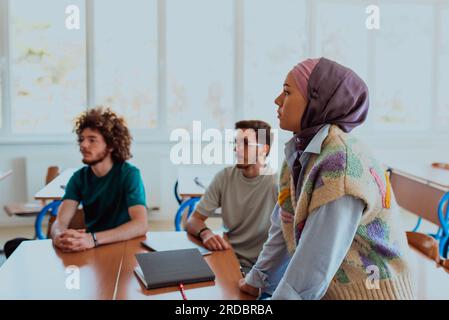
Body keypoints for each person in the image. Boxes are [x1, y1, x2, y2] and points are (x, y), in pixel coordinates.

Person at [239, 58, 416, 300]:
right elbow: (284, 225)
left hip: (371, 295)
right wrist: (258, 279)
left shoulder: (340, 164)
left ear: (317, 101)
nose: (277, 100)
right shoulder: (300, 151)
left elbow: (315, 262)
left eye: (287, 92)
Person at [3, 107, 148, 257]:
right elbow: (60, 221)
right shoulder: (79, 177)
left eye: (92, 140)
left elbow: (140, 224)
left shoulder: (129, 174)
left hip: (121, 246)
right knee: (14, 245)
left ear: (110, 145)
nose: (83, 145)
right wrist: (58, 235)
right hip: (91, 248)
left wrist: (93, 239)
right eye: (81, 139)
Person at [185, 120, 278, 274]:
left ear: (264, 149)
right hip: (226, 258)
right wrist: (206, 233)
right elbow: (192, 220)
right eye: (236, 143)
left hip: (260, 269)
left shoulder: (277, 183)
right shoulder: (225, 177)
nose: (237, 149)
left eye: (246, 143)